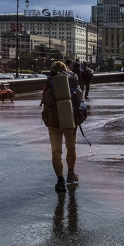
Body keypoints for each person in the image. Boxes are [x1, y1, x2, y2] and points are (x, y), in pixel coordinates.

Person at [44, 61, 81, 192]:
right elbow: (80, 99)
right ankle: (71, 174)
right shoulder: (72, 80)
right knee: (71, 148)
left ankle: (60, 181)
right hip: (70, 119)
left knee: (56, 151)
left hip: (54, 121)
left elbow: (46, 103)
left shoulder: (50, 82)